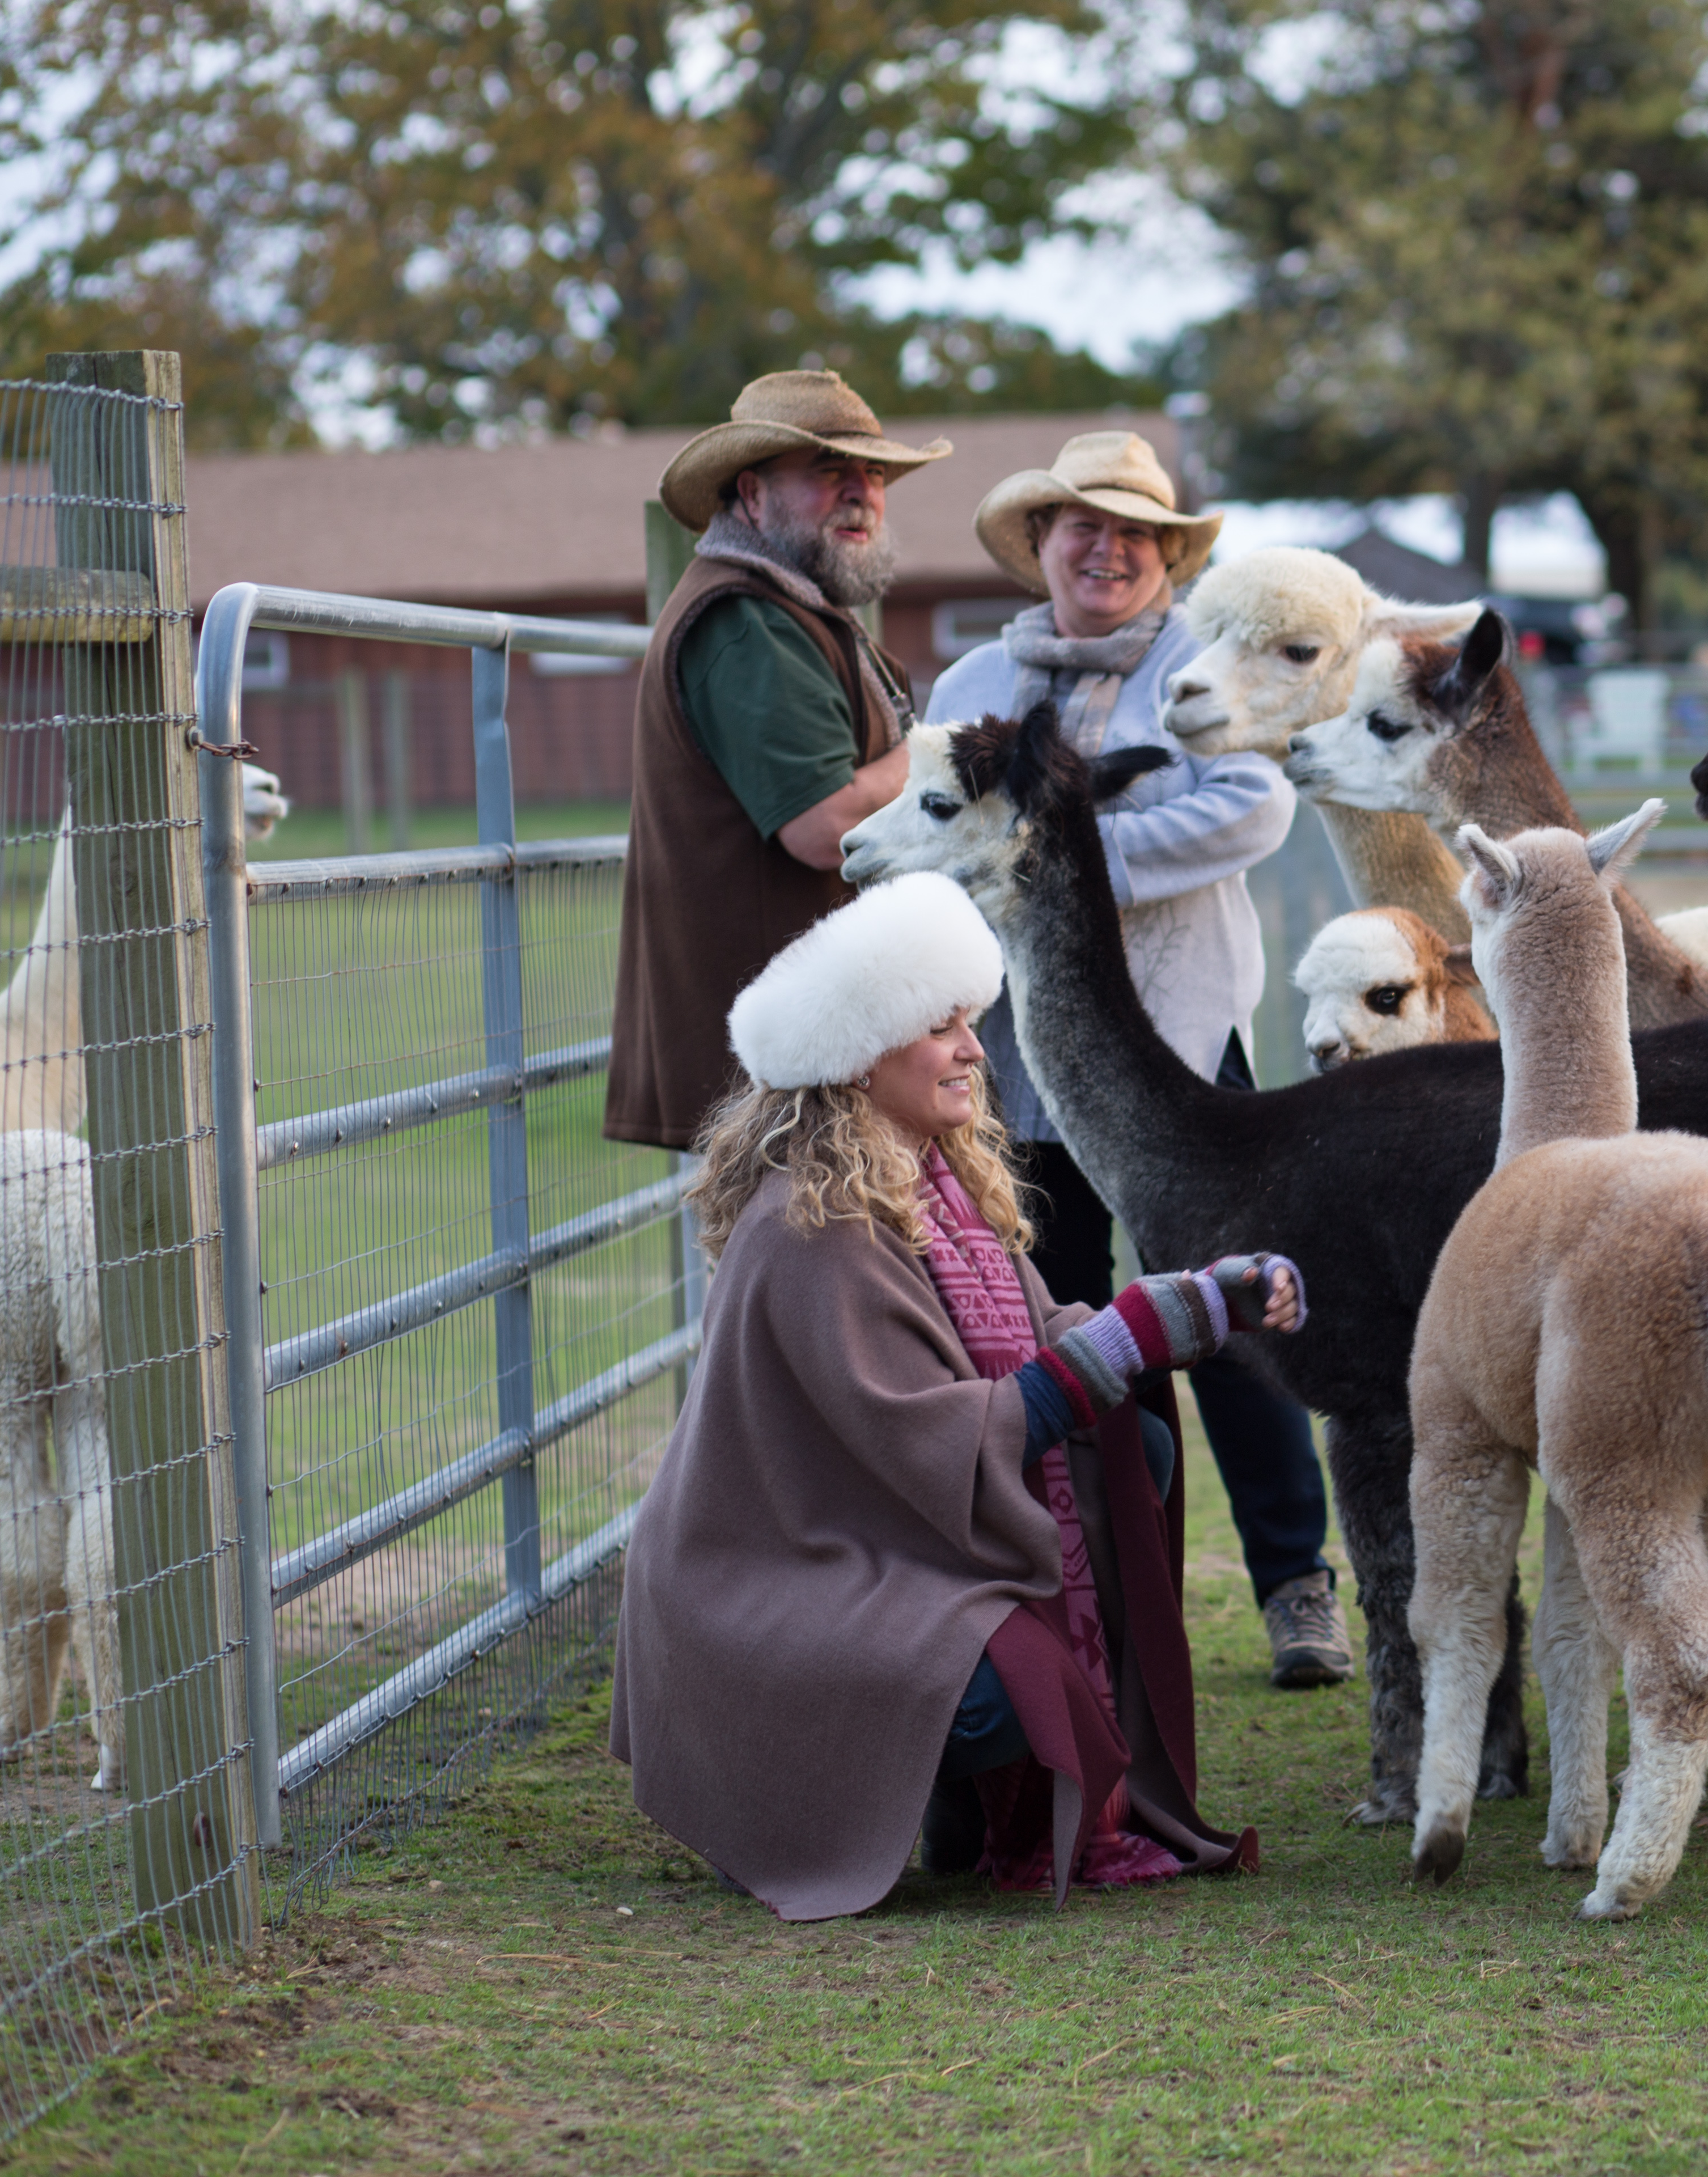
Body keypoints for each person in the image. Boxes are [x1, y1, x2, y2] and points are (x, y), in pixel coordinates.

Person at [611, 873, 1296, 1917]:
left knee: (1136, 1455)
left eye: (971, 1023)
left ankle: (960, 1799)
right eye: (944, 1027)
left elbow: (1034, 1345)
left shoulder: (931, 1185)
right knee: (1016, 1687)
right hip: (776, 1592)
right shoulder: (816, 1227)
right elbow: (929, 1437)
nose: (977, 1050)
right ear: (861, 1055)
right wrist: (1129, 1338)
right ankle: (823, 1792)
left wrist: (1199, 1304)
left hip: (877, 1548)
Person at [926, 430, 1354, 1693]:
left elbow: (1252, 807)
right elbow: (941, 821)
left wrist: (1057, 861)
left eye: (1135, 532)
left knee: (1227, 1308)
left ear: (1167, 553)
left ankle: (1296, 1584)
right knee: (1068, 1320)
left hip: (1170, 1040)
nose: (1107, 549)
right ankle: (1114, 1588)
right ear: (1042, 544)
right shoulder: (975, 681)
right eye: (1082, 526)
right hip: (1018, 1048)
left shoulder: (1197, 663)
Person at [607, 370, 950, 1151]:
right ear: (752, 495)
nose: (862, 493)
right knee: (804, 1269)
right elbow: (825, 826)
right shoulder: (747, 622)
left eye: (875, 475)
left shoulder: (794, 607)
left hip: (805, 1057)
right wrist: (932, 758)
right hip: (783, 1076)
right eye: (830, 474)